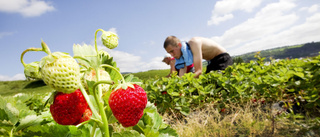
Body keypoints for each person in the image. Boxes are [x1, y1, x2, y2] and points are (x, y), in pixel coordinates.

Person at [163, 36, 233, 78]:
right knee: (207, 85)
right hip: (211, 63)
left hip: (222, 59)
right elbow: (182, 72)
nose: (172, 55)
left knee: (217, 85)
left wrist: (183, 81)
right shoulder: (185, 55)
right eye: (169, 53)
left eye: (172, 51)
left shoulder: (194, 43)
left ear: (179, 45)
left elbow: (199, 71)